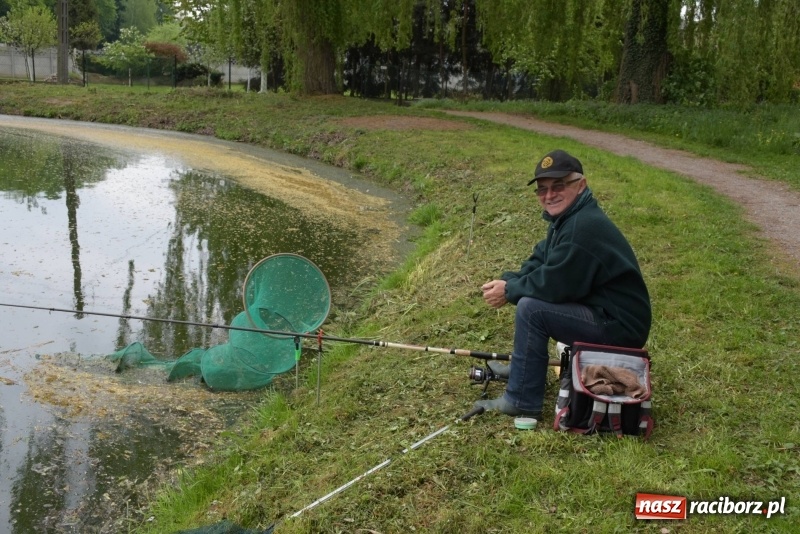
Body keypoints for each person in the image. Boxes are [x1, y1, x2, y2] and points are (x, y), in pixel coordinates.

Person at [476, 149, 651, 418]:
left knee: (532, 309)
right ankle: (523, 370)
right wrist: (509, 280)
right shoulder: (568, 218)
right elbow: (541, 259)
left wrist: (509, 291)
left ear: (581, 185)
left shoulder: (583, 228)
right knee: (530, 302)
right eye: (542, 189)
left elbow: (553, 285)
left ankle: (521, 399)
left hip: (619, 328)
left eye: (558, 186)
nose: (549, 195)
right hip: (602, 312)